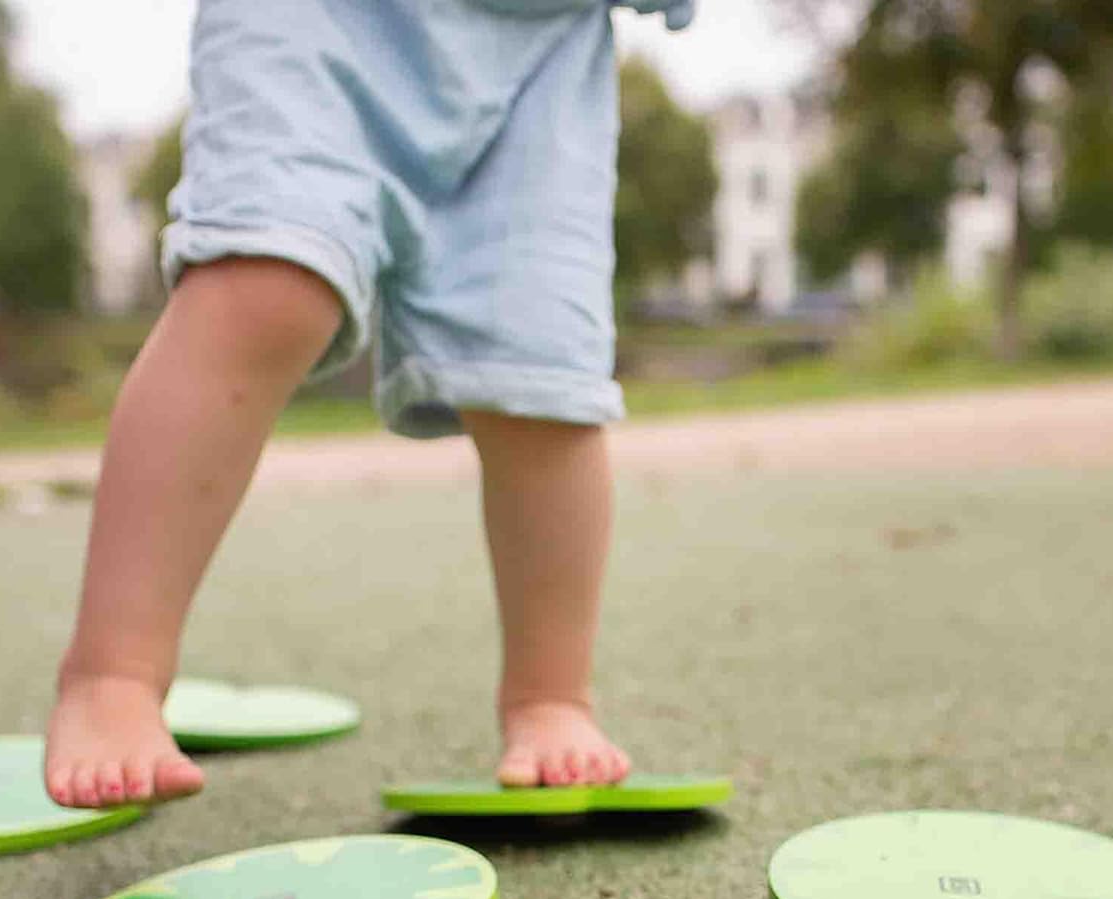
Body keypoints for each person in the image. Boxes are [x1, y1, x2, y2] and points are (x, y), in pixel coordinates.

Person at [45, 0, 694, 808]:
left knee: (541, 377)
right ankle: (114, 673)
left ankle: (550, 697)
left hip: (541, 60)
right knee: (265, 289)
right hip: (323, 22)